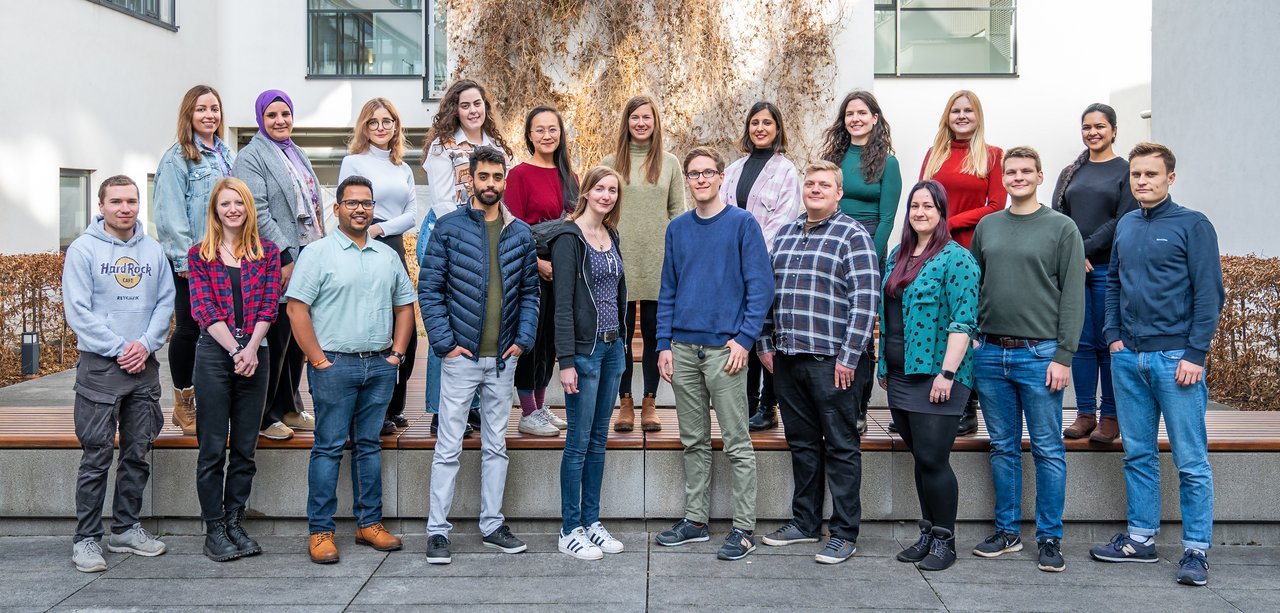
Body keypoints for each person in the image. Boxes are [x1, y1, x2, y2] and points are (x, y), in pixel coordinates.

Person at [1088, 142, 1224, 587]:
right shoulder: (1126, 224)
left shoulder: (1193, 225)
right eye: (1136, 175)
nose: (1142, 181)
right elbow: (1113, 286)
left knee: (1190, 460)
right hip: (1129, 360)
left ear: (1170, 178)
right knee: (1139, 454)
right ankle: (1141, 539)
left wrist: (1195, 354)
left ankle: (1196, 550)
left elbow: (1209, 294)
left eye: (1151, 174)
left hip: (1175, 361)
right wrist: (1113, 338)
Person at [419, 145, 540, 565]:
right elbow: (429, 290)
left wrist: (523, 339)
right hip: (461, 358)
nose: (490, 184)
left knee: (496, 447)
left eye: (497, 177)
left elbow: (529, 294)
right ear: (470, 178)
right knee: (448, 446)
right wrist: (445, 343)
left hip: (503, 360)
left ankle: (492, 524)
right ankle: (437, 531)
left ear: (504, 180)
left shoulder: (519, 232)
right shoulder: (449, 228)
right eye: (483, 176)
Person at [652, 147, 773, 561]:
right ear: (686, 179)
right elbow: (667, 289)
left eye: (708, 172)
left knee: (737, 442)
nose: (701, 179)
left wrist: (744, 340)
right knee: (694, 440)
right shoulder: (678, 228)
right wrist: (663, 344)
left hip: (726, 350)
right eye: (693, 173)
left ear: (721, 177)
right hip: (683, 349)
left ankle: (743, 529)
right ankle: (695, 520)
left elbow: (761, 288)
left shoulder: (742, 224)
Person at [287, 175, 415, 564]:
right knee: (327, 448)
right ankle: (320, 531)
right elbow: (297, 309)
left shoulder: (387, 255)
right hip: (334, 366)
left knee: (368, 446)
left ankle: (369, 524)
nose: (360, 208)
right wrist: (317, 360)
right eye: (352, 202)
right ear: (337, 207)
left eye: (366, 203)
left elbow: (405, 307)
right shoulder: (318, 253)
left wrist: (396, 355)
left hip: (378, 365)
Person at [757, 160, 880, 565]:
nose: (814, 189)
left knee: (842, 447)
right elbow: (768, 294)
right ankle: (805, 522)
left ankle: (844, 533)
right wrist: (765, 344)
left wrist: (850, 355)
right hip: (789, 361)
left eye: (824, 184)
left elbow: (865, 301)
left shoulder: (853, 235)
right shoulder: (786, 234)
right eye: (810, 183)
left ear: (838, 193)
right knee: (803, 445)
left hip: (836, 363)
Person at [969, 147, 1084, 573]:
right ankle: (1007, 531)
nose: (1017, 177)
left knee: (1049, 449)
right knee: (1002, 447)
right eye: (1010, 172)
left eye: (1025, 171)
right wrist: (977, 341)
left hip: (1040, 356)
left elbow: (1073, 295)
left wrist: (1063, 355)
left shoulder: (1061, 228)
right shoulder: (988, 226)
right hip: (991, 353)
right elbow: (977, 284)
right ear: (1003, 179)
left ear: (1039, 175)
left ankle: (1050, 537)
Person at [63, 175, 175, 573]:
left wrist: (144, 345)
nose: (124, 208)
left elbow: (165, 303)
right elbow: (78, 312)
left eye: (131, 201)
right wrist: (118, 348)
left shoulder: (154, 251)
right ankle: (87, 539)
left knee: (137, 453)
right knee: (96, 456)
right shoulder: (82, 250)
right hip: (100, 367)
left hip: (143, 366)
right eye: (116, 201)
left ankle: (126, 528)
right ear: (101, 205)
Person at [878, 180, 980, 572]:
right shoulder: (896, 257)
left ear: (942, 212)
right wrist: (886, 366)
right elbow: (889, 318)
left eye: (928, 206)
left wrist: (947, 374)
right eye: (914, 206)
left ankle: (945, 541)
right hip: (902, 375)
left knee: (935, 460)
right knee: (921, 459)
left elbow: (963, 322)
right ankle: (926, 532)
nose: (920, 212)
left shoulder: (957, 259)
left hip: (938, 377)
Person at [187, 177, 280, 562]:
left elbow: (269, 305)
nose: (232, 210)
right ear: (215, 210)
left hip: (256, 354)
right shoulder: (200, 255)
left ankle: (234, 520)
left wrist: (251, 348)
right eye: (225, 204)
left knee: (245, 448)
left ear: (248, 207)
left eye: (238, 203)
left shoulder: (268, 252)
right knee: (211, 448)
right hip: (214, 354)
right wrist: (236, 349)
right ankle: (214, 529)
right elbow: (203, 310)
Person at [416, 79, 512, 436]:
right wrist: (461, 238)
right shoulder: (443, 147)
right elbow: (442, 201)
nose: (474, 110)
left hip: (486, 236)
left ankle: (470, 407)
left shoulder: (497, 146)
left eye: (478, 103)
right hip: (448, 235)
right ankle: (441, 408)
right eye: (466, 105)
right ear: (455, 109)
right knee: (448, 322)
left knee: (478, 320)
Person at [548, 166, 628, 560]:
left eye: (613, 190)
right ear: (586, 190)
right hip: (584, 352)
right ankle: (569, 528)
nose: (607, 195)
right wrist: (566, 361)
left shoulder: (610, 235)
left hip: (613, 351)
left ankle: (592, 522)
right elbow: (562, 304)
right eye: (600, 187)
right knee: (577, 442)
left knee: (599, 440)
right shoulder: (569, 237)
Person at [231, 89, 319, 441]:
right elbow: (259, 211)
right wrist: (285, 257)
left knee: (297, 337)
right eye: (272, 116)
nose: (280, 121)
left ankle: (289, 406)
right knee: (278, 335)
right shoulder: (251, 157)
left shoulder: (295, 152)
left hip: (307, 253)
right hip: (276, 258)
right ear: (260, 119)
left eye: (285, 114)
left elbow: (311, 203)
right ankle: (265, 415)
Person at [920, 89, 1006, 437]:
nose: (962, 116)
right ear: (947, 116)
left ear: (978, 116)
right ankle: (925, 399)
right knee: (935, 321)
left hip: (969, 251)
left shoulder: (992, 155)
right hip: (933, 250)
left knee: (965, 325)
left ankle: (965, 406)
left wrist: (950, 222)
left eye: (968, 110)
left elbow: (996, 205)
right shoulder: (934, 154)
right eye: (955, 110)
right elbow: (922, 199)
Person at [1052, 103, 1139, 443]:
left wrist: (1082, 249)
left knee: (1108, 342)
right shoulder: (1071, 171)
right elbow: (1060, 217)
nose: (1093, 132)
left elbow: (1123, 218)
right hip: (1075, 271)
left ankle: (1110, 416)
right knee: (1081, 343)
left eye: (1100, 126)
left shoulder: (1126, 171)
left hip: (1107, 269)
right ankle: (1085, 413)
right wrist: (1074, 255)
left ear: (1114, 130)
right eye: (1087, 126)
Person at [154, 84, 236, 437]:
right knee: (189, 328)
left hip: (226, 257)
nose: (209, 115)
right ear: (189, 114)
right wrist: (186, 262)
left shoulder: (226, 154)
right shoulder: (177, 158)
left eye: (214, 108)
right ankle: (183, 402)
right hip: (194, 259)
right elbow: (170, 215)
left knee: (219, 329)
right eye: (201, 109)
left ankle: (210, 400)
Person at [819, 89, 902, 434]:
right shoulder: (834, 157)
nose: (855, 119)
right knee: (835, 327)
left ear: (875, 118)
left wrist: (868, 255)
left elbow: (888, 218)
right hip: (832, 241)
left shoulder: (888, 162)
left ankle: (858, 408)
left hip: (868, 243)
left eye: (862, 113)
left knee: (862, 332)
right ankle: (832, 404)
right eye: (849, 114)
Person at [602, 95, 686, 433]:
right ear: (627, 122)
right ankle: (624, 401)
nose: (640, 123)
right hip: (617, 261)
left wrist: (680, 259)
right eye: (634, 117)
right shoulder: (610, 162)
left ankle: (649, 401)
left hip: (658, 261)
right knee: (620, 334)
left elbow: (679, 213)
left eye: (646, 118)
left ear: (655, 122)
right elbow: (599, 207)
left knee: (654, 333)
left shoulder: (669, 163)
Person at [338, 97, 420, 437]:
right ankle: (378, 408)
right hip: (363, 246)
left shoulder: (403, 167)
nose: (381, 127)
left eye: (387, 121)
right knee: (377, 328)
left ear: (396, 125)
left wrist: (382, 227)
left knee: (407, 332)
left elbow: (413, 215)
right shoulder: (353, 161)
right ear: (364, 127)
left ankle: (396, 405)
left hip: (392, 243)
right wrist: (368, 230)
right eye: (373, 122)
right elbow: (348, 206)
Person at [720, 101, 802, 433]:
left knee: (766, 334)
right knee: (743, 334)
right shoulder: (735, 168)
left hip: (767, 265)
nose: (760, 128)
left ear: (777, 128)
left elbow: (782, 222)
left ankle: (768, 406)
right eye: (755, 122)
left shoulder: (787, 171)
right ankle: (747, 403)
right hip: (733, 267)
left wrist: (750, 258)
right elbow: (723, 213)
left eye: (767, 122)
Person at [507, 105, 579, 437]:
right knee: (532, 342)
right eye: (540, 129)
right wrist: (537, 264)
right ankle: (526, 412)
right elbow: (512, 229)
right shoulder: (519, 175)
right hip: (531, 268)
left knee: (551, 343)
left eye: (553, 129)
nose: (547, 135)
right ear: (529, 135)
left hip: (562, 270)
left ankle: (540, 406)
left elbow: (575, 225)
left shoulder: (570, 176)